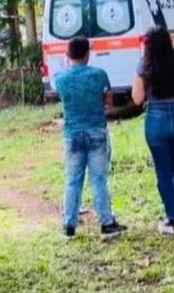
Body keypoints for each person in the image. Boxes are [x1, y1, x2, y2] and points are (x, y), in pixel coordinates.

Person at [54, 36, 127, 239]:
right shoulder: (99, 75)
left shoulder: (61, 79)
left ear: (68, 55)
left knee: (72, 180)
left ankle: (69, 225)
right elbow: (108, 101)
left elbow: (61, 96)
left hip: (72, 134)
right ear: (88, 54)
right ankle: (106, 222)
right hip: (96, 131)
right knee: (99, 179)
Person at [132, 26, 174, 235]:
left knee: (163, 171)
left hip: (156, 117)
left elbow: (137, 98)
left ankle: (172, 217)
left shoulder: (144, 65)